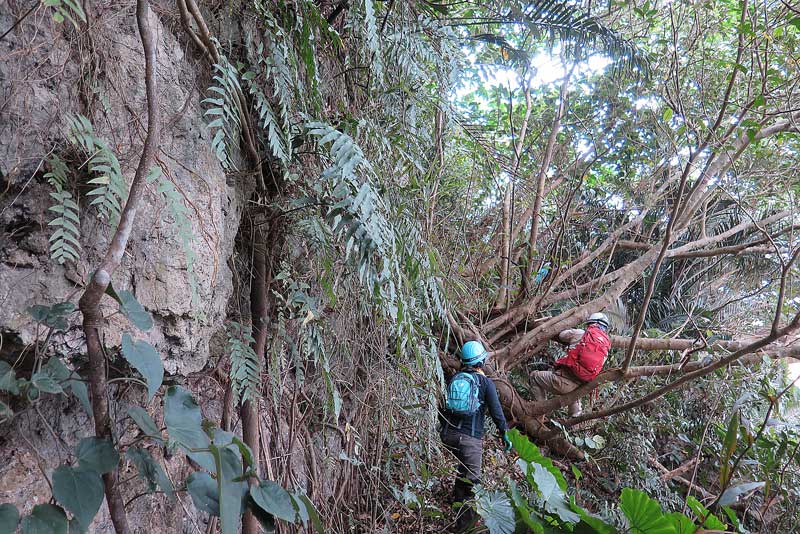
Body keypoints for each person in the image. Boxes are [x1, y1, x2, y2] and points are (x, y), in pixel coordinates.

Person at [440, 340, 512, 530]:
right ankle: (463, 528)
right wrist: (504, 433)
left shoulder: (454, 379)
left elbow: (443, 406)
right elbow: (497, 412)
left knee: (463, 472)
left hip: (448, 437)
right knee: (472, 484)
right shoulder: (486, 383)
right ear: (482, 362)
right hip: (469, 440)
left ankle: (456, 503)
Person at [530, 312, 611, 417]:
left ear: (590, 324)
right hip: (580, 388)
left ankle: (541, 411)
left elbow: (562, 335)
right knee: (575, 392)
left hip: (562, 382)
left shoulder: (580, 333)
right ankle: (575, 415)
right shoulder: (606, 347)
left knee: (534, 376)